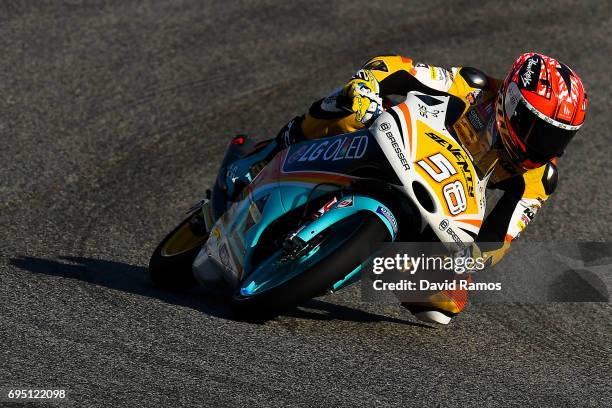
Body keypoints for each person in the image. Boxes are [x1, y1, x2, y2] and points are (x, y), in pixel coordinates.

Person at [226, 52, 588, 324]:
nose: (542, 146)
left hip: (443, 205)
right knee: (349, 107)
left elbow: (499, 239)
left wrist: (471, 257)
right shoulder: (474, 89)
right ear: (510, 103)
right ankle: (269, 152)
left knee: (445, 306)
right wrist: (368, 83)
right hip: (398, 143)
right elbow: (398, 67)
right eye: (537, 129)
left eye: (557, 138)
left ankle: (353, 258)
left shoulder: (539, 179)